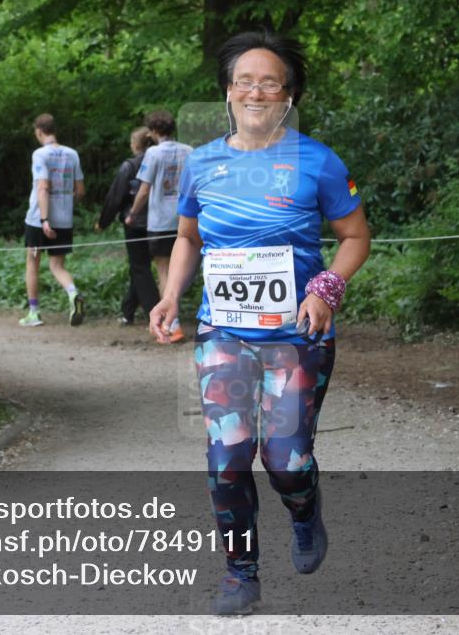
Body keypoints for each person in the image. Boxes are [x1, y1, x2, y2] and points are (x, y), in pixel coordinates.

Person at [148, 31, 370, 615]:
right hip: (223, 332)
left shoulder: (318, 162)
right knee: (228, 454)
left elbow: (354, 236)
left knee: (286, 460)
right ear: (227, 92)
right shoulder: (202, 163)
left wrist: (327, 287)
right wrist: (171, 295)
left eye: (268, 81)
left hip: (297, 336)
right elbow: (187, 238)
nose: (255, 90)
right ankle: (239, 573)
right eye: (244, 80)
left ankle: (304, 508)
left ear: (288, 96)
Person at [126, 111, 193, 343]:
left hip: (160, 221)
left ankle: (171, 325)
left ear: (153, 131)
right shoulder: (189, 151)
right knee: (183, 270)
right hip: (186, 218)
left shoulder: (153, 153)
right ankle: (173, 321)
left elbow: (144, 190)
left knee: (165, 272)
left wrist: (133, 213)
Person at [20, 113, 87, 327]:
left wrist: (45, 219)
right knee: (57, 265)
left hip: (38, 219)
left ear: (39, 131)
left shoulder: (40, 154)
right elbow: (80, 190)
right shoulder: (72, 154)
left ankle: (34, 313)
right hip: (64, 218)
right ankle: (73, 293)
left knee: (32, 262)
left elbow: (43, 186)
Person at [95, 126, 160, 324]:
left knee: (140, 268)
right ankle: (128, 310)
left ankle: (155, 314)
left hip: (136, 224)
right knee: (139, 268)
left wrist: (103, 222)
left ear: (136, 145)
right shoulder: (161, 160)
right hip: (162, 223)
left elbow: (115, 197)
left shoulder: (130, 166)